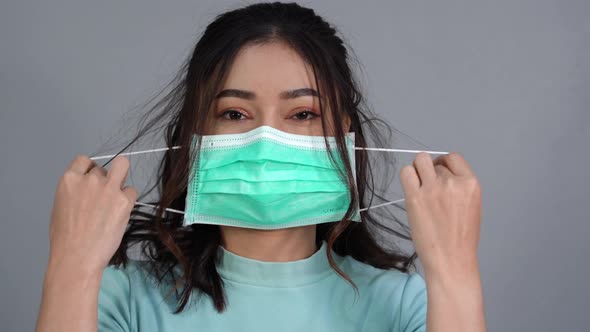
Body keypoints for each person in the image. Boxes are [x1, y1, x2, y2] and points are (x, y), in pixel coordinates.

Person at [35, 2, 486, 331]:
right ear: (196, 132)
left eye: (303, 114)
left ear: (345, 132)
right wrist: (70, 264)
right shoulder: (121, 299)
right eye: (234, 114)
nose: (266, 139)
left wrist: (455, 269)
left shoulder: (406, 306)